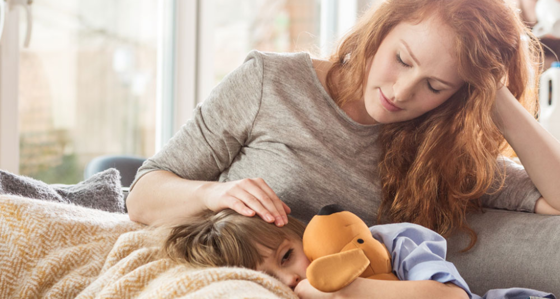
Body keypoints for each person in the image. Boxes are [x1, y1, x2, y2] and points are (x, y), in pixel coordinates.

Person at [128, 0, 560, 287]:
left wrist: (495, 94)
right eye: (402, 60)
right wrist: (212, 193)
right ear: (381, 31)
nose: (403, 92)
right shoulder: (270, 82)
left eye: (435, 84)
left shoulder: (439, 147)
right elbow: (142, 194)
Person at [162, 208, 555, 299]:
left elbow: (451, 298)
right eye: (267, 278)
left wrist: (343, 289)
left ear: (301, 231)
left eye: (286, 257)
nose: (289, 280)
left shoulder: (382, 244)